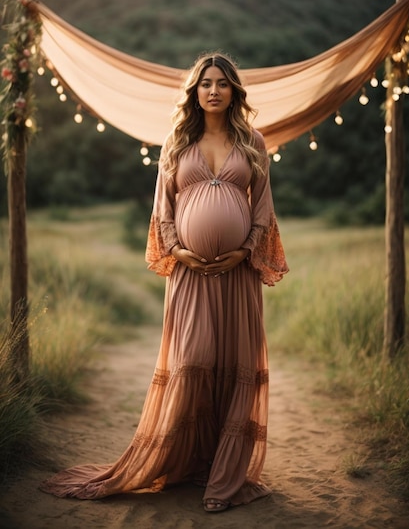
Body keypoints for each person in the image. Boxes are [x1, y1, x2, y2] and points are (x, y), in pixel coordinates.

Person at [40, 52, 289, 513]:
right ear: (194, 92)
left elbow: (263, 207)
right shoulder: (177, 142)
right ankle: (186, 461)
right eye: (205, 83)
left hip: (236, 277)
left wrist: (244, 250)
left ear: (234, 91)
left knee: (233, 363)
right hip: (190, 276)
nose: (213, 90)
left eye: (222, 83)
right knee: (193, 360)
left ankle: (224, 476)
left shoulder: (253, 141)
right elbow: (163, 209)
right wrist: (179, 251)